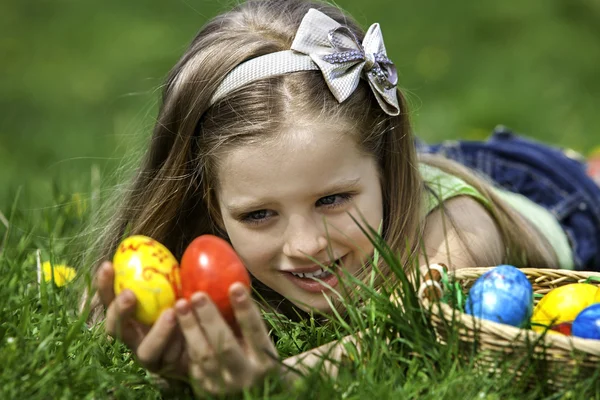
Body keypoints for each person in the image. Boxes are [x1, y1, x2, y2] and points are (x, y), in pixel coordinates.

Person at [85, 0, 600, 396]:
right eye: (259, 215)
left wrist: (281, 378)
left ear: (385, 167)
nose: (307, 244)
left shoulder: (458, 230)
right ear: (210, 202)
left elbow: (415, 332)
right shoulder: (237, 208)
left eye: (332, 201)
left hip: (552, 192)